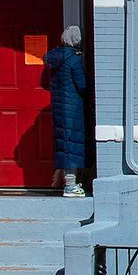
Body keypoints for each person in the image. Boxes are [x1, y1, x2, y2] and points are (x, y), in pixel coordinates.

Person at [42, 25, 89, 197]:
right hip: (74, 106)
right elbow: (82, 85)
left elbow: (46, 83)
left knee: (65, 144)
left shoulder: (54, 58)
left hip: (59, 106)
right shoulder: (74, 60)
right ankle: (70, 185)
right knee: (72, 145)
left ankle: (69, 182)